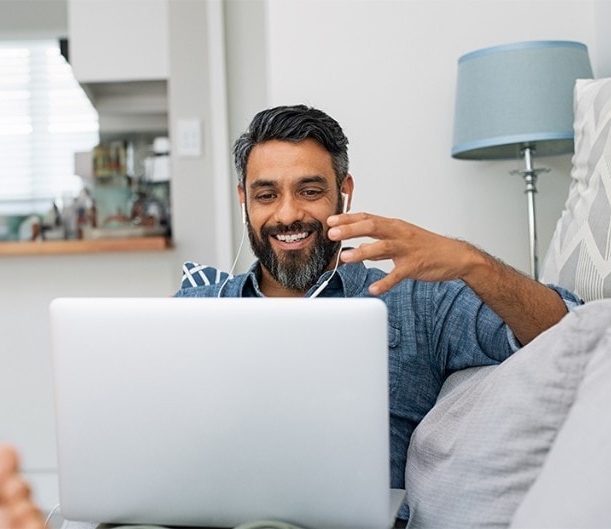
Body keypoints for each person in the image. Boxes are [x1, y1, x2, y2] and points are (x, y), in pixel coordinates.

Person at [174, 104, 582, 519]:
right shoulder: (191, 310)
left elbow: (574, 335)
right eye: (266, 195)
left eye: (310, 191)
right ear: (244, 199)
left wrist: (470, 262)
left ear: (344, 192)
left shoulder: (416, 301)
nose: (288, 214)